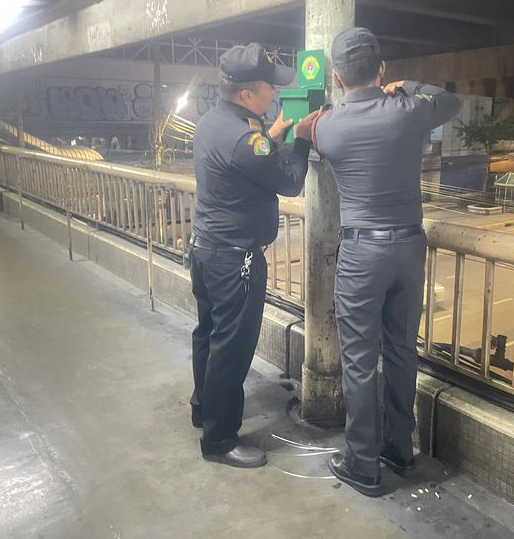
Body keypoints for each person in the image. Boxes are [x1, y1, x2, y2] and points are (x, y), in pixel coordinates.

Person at [312, 27, 461, 496]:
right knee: (400, 350)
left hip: (362, 252)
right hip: (409, 248)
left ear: (338, 78)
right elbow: (450, 102)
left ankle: (362, 463)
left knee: (359, 360)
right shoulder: (408, 110)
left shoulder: (328, 126)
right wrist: (406, 85)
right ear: (381, 69)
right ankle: (400, 448)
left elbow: (302, 133)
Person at [189, 43, 319, 468]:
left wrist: (274, 132)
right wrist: (301, 139)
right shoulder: (247, 139)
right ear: (246, 94)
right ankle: (219, 440)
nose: (275, 93)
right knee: (231, 348)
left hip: (206, 251)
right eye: (269, 87)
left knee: (209, 334)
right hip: (236, 261)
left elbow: (249, 155)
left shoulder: (213, 121)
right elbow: (290, 181)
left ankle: (203, 409)